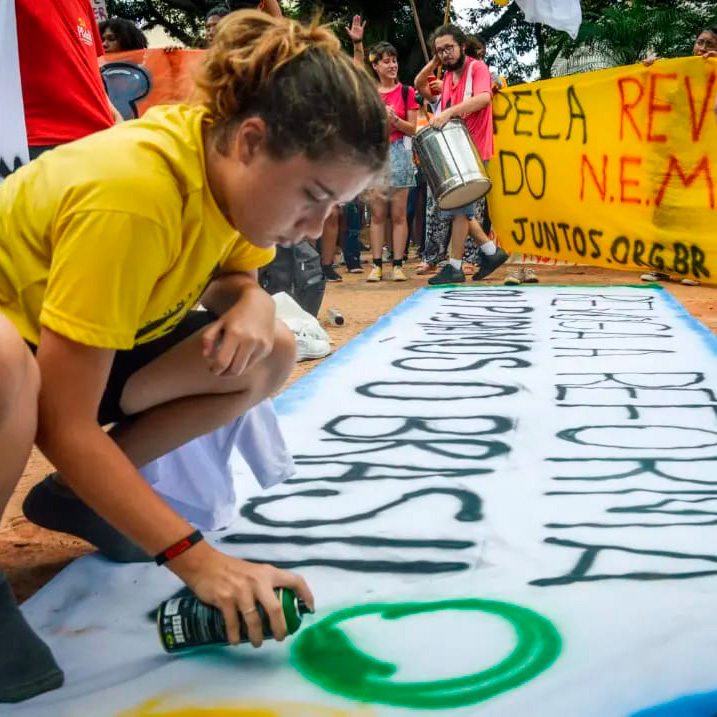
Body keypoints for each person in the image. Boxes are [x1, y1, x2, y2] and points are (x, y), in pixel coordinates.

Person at [0, 10, 388, 703]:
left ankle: (82, 499)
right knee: (8, 367)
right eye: (312, 198)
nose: (313, 229)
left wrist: (252, 302)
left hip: (68, 340)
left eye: (333, 208)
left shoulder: (222, 169)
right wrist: (197, 560)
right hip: (18, 353)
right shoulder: (134, 194)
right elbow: (63, 424)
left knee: (266, 349)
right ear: (251, 139)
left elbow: (240, 274)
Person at [415, 24, 508, 285]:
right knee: (461, 209)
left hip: (475, 150)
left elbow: (483, 99)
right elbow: (419, 84)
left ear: (462, 46)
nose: (445, 54)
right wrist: (433, 61)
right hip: (457, 151)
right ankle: (491, 252)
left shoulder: (477, 68)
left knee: (461, 208)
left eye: (449, 48)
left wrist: (448, 112)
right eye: (440, 51)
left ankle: (454, 266)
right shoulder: (445, 79)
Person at [640, 26, 716, 287]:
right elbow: (659, 95)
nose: (702, 48)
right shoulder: (679, 71)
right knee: (665, 209)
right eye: (699, 42)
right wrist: (652, 70)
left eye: (709, 44)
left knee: (693, 212)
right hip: (673, 153)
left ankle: (693, 267)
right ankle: (660, 266)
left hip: (703, 158)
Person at [347, 15, 419, 282]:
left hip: (400, 150)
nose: (392, 65)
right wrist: (357, 45)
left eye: (394, 60)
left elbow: (413, 128)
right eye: (386, 61)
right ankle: (376, 265)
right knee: (377, 213)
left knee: (398, 213)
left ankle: (397, 264)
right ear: (375, 65)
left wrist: (395, 120)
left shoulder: (406, 92)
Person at [14, 0, 119, 162]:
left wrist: (114, 115)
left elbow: (90, 69)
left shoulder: (83, 3)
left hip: (102, 139)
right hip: (41, 142)